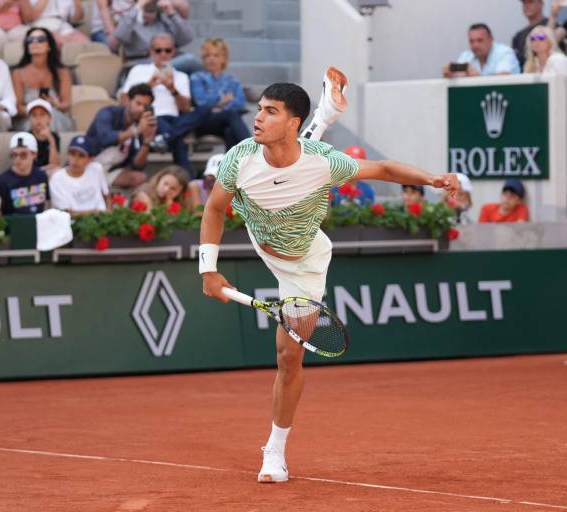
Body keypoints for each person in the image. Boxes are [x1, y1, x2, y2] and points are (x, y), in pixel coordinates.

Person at [198, 79, 460, 484]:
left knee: (289, 357)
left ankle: (274, 450)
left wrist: (433, 179)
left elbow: (384, 168)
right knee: (296, 159)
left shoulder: (325, 163)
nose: (258, 117)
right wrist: (208, 268)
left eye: (271, 111)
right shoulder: (240, 158)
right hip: (261, 233)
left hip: (304, 262)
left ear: (292, 121)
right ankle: (324, 117)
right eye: (260, 108)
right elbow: (215, 209)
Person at [120, 33, 210, 176]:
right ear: (151, 51)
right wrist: (148, 85)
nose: (163, 54)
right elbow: (125, 100)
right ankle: (189, 178)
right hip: (150, 116)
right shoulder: (138, 70)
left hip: (175, 119)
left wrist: (172, 89)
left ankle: (166, 138)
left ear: (173, 52)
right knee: (177, 139)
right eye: (158, 50)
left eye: (167, 50)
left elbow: (185, 108)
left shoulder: (181, 76)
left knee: (205, 110)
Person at [85, 82, 156, 189]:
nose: (141, 109)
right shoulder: (108, 113)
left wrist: (147, 141)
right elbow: (106, 138)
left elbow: (137, 165)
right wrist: (135, 131)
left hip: (109, 172)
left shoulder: (143, 124)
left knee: (141, 178)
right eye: (138, 103)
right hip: (87, 166)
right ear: (127, 101)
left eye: (145, 106)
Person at [189, 38, 251, 151]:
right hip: (204, 122)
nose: (211, 59)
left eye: (216, 55)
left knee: (230, 131)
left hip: (225, 123)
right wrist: (221, 100)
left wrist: (219, 107)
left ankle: (231, 162)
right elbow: (201, 101)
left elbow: (240, 103)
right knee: (231, 115)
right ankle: (253, 149)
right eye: (207, 56)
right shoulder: (197, 77)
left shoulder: (232, 80)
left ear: (224, 58)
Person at [12, 27, 74, 132]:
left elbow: (66, 104)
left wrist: (55, 104)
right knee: (39, 120)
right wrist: (37, 111)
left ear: (49, 46)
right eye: (30, 40)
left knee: (51, 117)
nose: (34, 42)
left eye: (40, 39)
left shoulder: (62, 72)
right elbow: (17, 107)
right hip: (28, 118)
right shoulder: (18, 73)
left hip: (56, 116)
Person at [49, 135, 110, 215]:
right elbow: (66, 213)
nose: (76, 160)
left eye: (81, 155)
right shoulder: (57, 178)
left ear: (90, 159)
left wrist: (109, 211)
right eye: (72, 154)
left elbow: (106, 195)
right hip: (74, 221)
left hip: (102, 217)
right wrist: (94, 212)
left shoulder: (96, 169)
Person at [0, 131, 50, 214]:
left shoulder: (41, 176)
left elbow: (47, 203)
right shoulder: (2, 181)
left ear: (34, 154)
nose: (18, 159)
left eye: (23, 155)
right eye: (14, 155)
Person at [444, 23, 520, 78]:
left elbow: (502, 79)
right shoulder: (466, 56)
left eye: (480, 40)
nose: (475, 45)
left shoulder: (505, 53)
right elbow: (458, 76)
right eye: (471, 41)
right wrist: (451, 74)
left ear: (491, 39)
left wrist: (477, 77)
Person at [22, 0, 90, 47]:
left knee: (85, 44)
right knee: (56, 42)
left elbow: (78, 17)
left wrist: (76, 2)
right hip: (41, 25)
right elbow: (30, 18)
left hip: (64, 26)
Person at [25, 98, 60, 172]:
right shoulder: (26, 137)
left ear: (49, 119)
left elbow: (55, 164)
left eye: (42, 114)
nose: (38, 118)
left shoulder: (54, 137)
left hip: (48, 172)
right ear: (29, 119)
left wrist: (51, 140)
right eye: (34, 115)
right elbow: (25, 165)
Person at [512, 0, 548, 70]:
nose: (527, 6)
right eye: (524, 3)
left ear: (541, 3)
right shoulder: (518, 36)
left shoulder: (551, 27)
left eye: (531, 2)